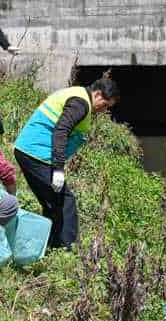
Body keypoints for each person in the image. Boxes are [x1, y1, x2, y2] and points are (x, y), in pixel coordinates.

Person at [13, 77, 120, 250]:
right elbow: (61, 131)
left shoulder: (78, 95)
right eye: (105, 104)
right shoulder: (81, 103)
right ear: (98, 94)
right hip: (36, 154)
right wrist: (58, 169)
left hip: (29, 151)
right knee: (65, 201)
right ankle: (67, 250)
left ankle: (51, 245)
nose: (104, 110)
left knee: (53, 202)